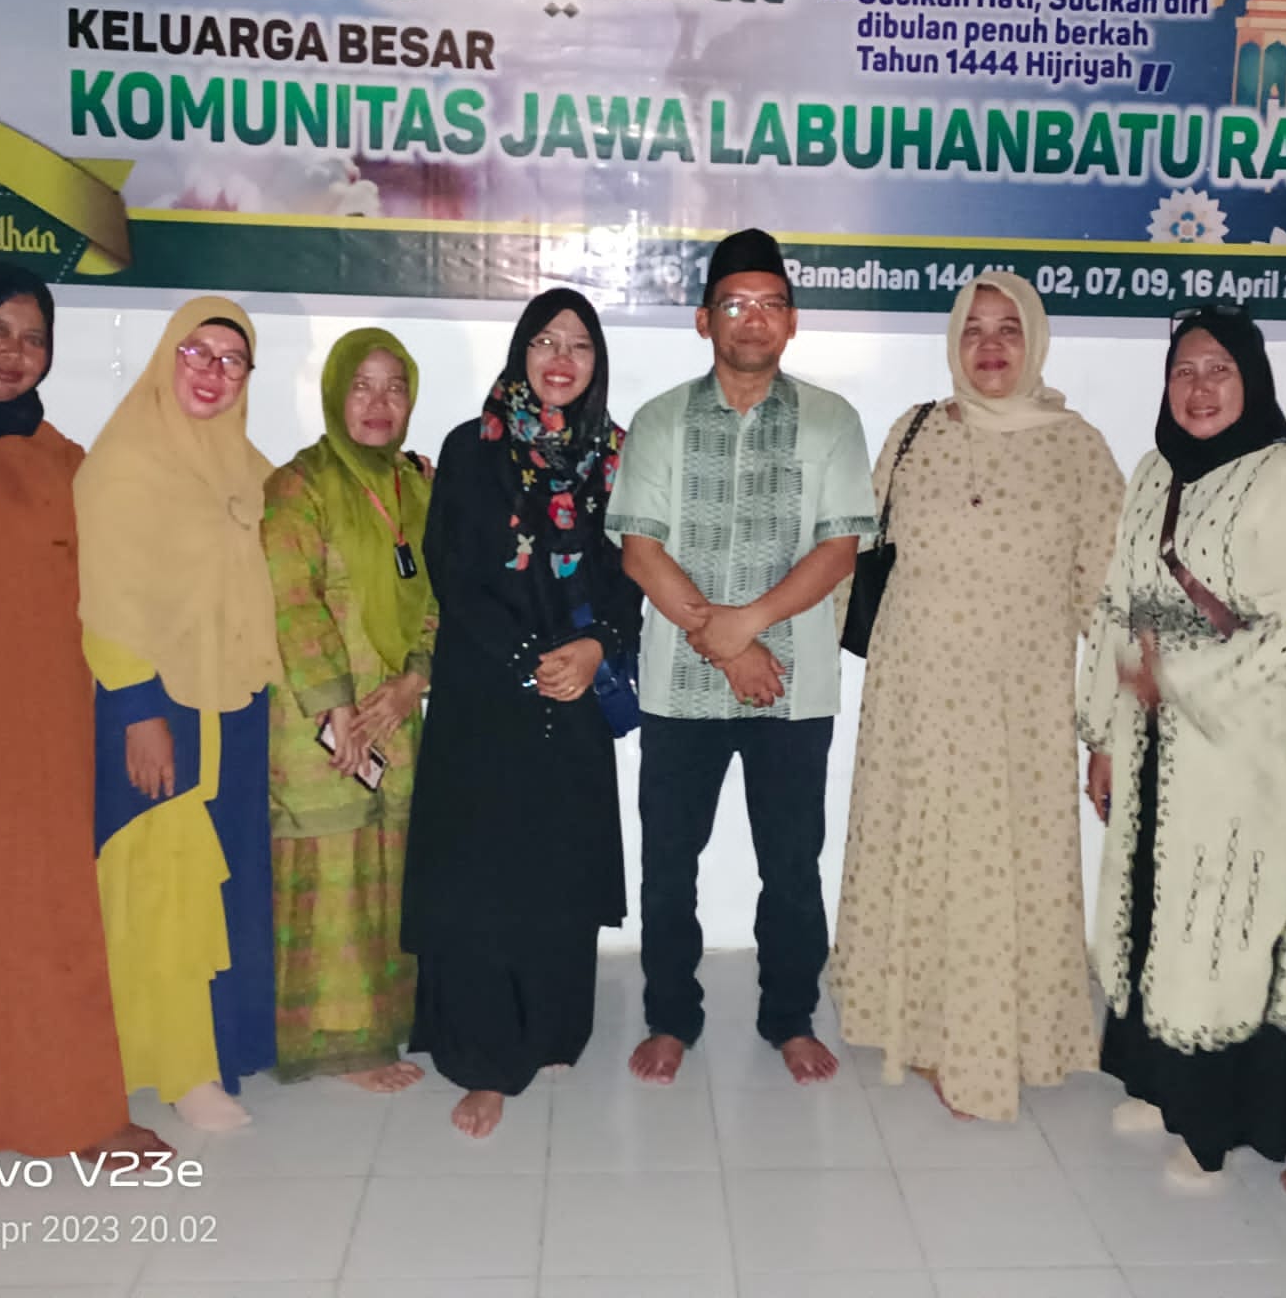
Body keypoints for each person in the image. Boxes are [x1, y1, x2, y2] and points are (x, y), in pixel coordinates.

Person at [830, 272, 1123, 1120]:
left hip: (1014, 706)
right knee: (920, 850)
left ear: (1034, 340)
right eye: (973, 329)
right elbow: (855, 550)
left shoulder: (1076, 447)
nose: (989, 346)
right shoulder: (914, 428)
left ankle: (991, 1040)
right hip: (913, 695)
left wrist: (1105, 727)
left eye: (1008, 329)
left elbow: (1104, 596)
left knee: (996, 862)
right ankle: (914, 1024)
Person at [0, 264, 166, 1181]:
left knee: (53, 920)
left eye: (34, 338)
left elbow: (122, 555)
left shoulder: (53, 451)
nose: (15, 354)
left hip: (50, 733)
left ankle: (71, 1112)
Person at [1078, 306, 1286, 1185]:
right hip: (1148, 742)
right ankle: (1160, 1085)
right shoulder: (1153, 469)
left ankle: (1214, 1124)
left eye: (1219, 369)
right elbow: (1115, 605)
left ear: (1251, 380)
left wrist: (1182, 675)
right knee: (1153, 908)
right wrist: (1103, 732)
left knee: (1224, 926)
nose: (1198, 388)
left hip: (1241, 751)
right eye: (1183, 370)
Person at [609, 227, 876, 1088]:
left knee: (790, 864)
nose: (753, 319)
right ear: (703, 320)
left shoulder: (832, 420)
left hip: (792, 686)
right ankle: (670, 1016)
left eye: (770, 304)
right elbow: (639, 549)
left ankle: (788, 1015)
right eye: (734, 304)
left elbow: (839, 549)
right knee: (668, 863)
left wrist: (750, 625)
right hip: (678, 685)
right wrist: (728, 649)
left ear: (791, 321)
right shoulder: (659, 421)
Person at [402, 288, 638, 1139]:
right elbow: (454, 571)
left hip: (575, 689)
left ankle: (548, 1030)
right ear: (520, 351)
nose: (560, 358)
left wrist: (597, 647)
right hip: (487, 693)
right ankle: (484, 1060)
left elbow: (633, 568)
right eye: (545, 340)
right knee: (484, 878)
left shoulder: (616, 455)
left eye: (579, 344)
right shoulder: (473, 447)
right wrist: (526, 661)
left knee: (555, 869)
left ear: (596, 361)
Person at [77, 297, 280, 1132]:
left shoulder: (247, 466)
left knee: (222, 884)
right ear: (167, 355)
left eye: (232, 360)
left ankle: (221, 1047)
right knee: (167, 888)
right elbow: (107, 598)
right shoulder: (123, 463)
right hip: (160, 707)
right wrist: (138, 708)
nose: (212, 372)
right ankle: (182, 1069)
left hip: (234, 705)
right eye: (197, 352)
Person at [264, 329, 436, 1091]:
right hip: (318, 713)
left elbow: (440, 593)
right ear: (335, 392)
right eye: (361, 385)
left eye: (394, 386)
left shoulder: (416, 487)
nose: (378, 402)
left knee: (388, 866)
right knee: (333, 869)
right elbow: (291, 599)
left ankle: (383, 1022)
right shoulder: (297, 485)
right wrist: (334, 706)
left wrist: (413, 681)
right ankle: (337, 1040)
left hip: (395, 708)